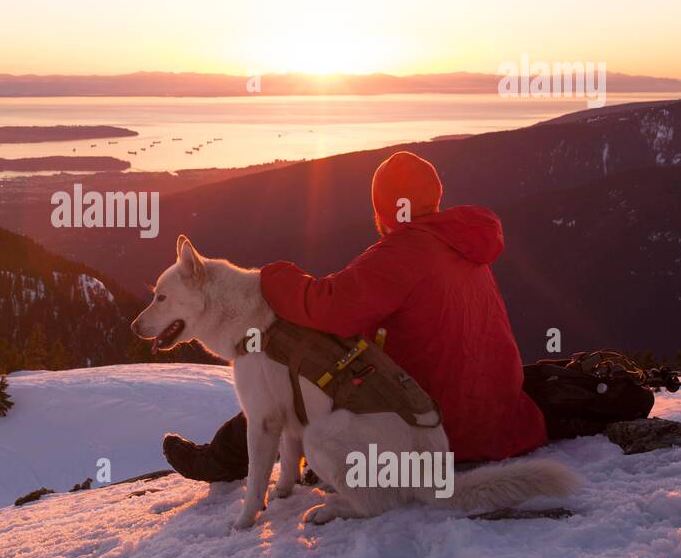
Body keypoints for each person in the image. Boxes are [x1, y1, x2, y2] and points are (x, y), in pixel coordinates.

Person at [163, 149, 547, 481]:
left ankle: (220, 459)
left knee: (292, 368)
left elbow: (327, 306)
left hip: (435, 426)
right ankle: (230, 454)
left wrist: (272, 278)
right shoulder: (461, 246)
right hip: (496, 419)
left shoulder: (404, 251)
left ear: (383, 207)